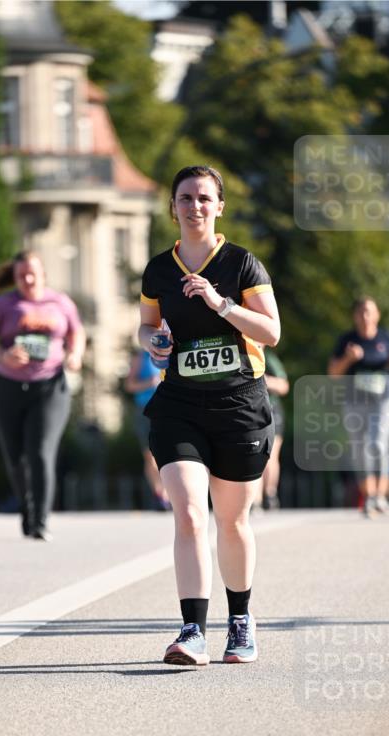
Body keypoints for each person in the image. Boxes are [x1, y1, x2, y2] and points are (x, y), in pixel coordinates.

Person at [139, 164, 280, 666]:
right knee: (190, 512)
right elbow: (146, 326)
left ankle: (240, 620)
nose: (194, 206)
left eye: (203, 198)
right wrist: (152, 341)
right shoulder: (159, 270)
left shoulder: (242, 265)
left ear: (219, 206)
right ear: (172, 207)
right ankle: (192, 629)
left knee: (233, 521)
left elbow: (270, 332)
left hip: (239, 406)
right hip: (179, 406)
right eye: (184, 198)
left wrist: (221, 304)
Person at [0, 252, 85, 540]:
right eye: (22, 274)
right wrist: (2, 354)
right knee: (16, 457)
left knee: (40, 451)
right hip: (8, 387)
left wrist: (75, 355)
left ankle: (40, 520)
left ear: (43, 273)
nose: (28, 279)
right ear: (15, 277)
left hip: (50, 385)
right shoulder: (3, 305)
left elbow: (77, 334)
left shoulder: (60, 303)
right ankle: (27, 507)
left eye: (33, 273)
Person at [328, 297, 389, 518]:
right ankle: (370, 497)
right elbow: (333, 373)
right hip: (354, 401)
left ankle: (381, 496)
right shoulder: (347, 340)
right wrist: (349, 359)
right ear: (355, 316)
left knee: (377, 443)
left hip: (383, 401)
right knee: (360, 449)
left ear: (377, 314)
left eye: (369, 311)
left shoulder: (386, 337)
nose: (364, 316)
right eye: (360, 312)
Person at [124, 348, 170, 510]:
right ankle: (160, 494)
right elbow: (129, 385)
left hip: (170, 409)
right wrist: (149, 383)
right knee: (150, 455)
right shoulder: (141, 356)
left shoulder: (175, 349)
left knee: (170, 452)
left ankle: (170, 492)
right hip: (146, 409)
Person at [259, 349, 289, 510]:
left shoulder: (268, 358)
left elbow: (284, 385)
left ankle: (270, 494)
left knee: (271, 453)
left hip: (272, 409)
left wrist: (263, 380)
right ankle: (255, 499)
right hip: (249, 409)